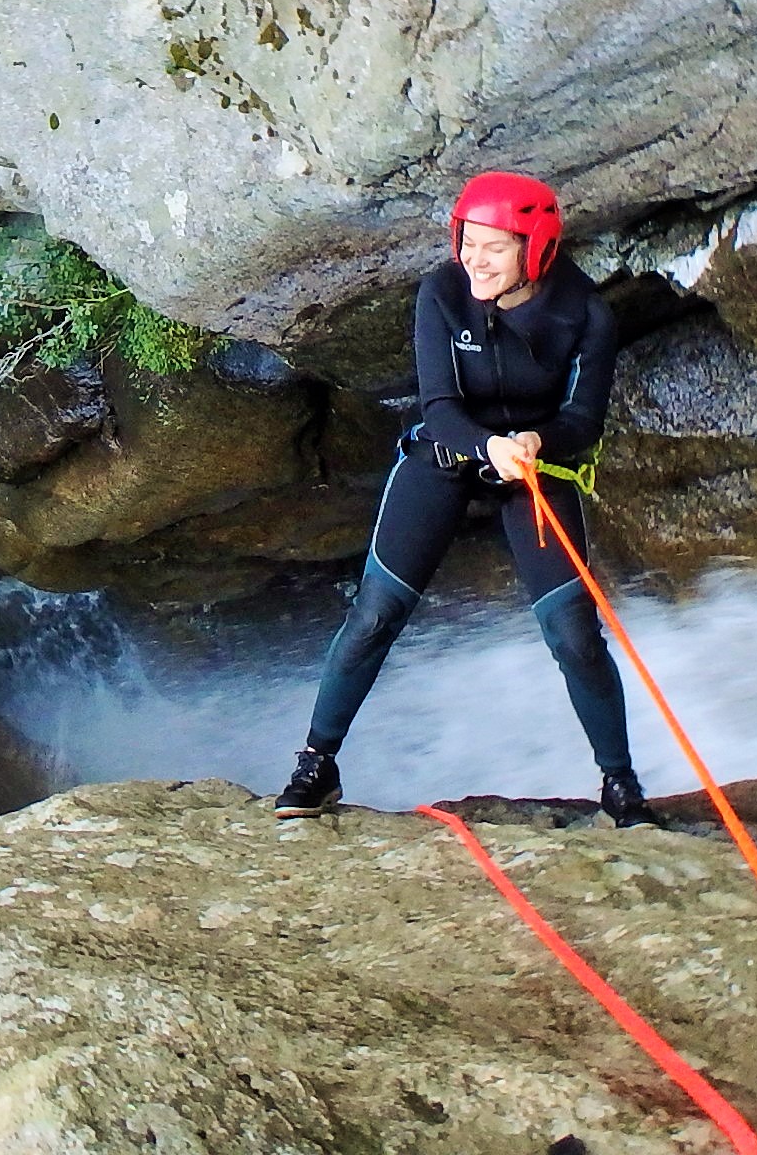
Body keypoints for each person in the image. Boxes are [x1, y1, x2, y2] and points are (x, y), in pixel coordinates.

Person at [273, 172, 651, 825]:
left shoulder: (584, 313)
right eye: (467, 243)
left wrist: (535, 438)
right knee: (374, 614)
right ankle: (316, 762)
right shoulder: (442, 295)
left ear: (534, 251)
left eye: (493, 248)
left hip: (535, 467)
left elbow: (583, 421)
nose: (472, 259)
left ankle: (620, 785)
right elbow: (440, 408)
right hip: (445, 458)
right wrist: (487, 446)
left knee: (575, 634)